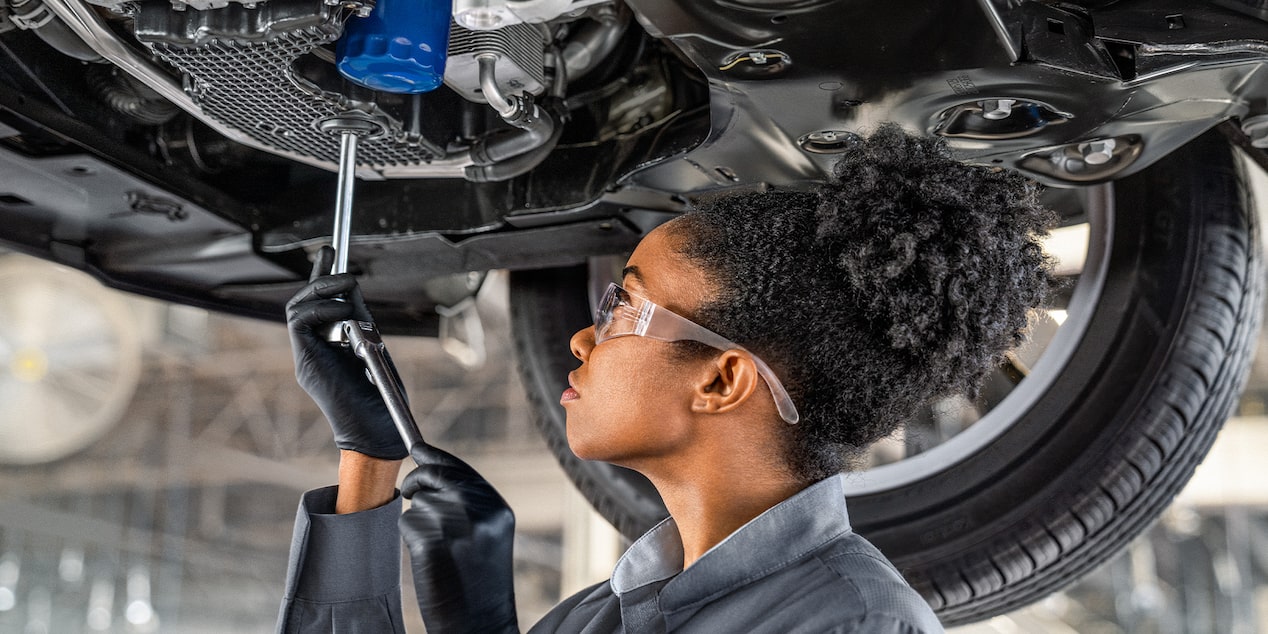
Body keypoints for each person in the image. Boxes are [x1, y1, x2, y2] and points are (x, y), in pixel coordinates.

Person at [275, 124, 1055, 633]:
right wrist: (369, 460)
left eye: (624, 309)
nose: (582, 336)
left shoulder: (853, 624)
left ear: (721, 381)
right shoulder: (602, 616)